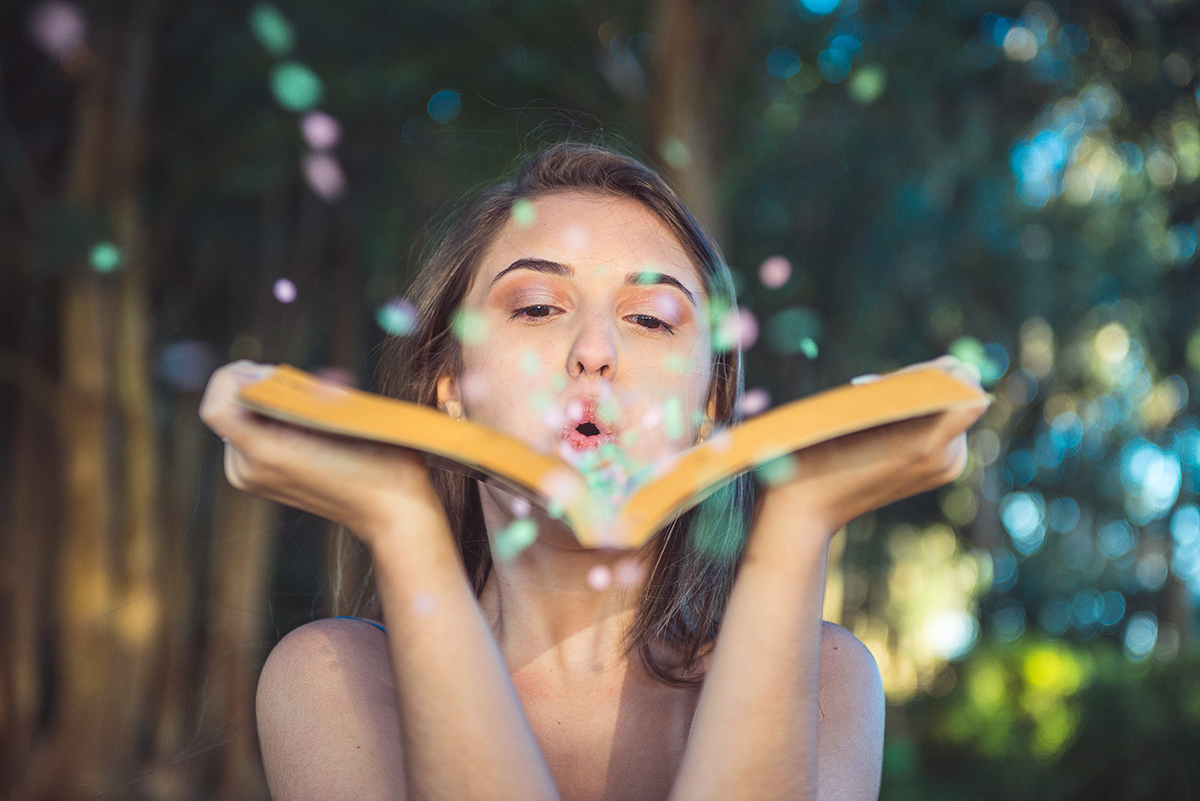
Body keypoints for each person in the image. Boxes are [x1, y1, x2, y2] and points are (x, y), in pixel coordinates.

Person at [199, 144, 986, 801]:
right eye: (538, 306)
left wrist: (802, 518)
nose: (595, 351)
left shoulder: (825, 676)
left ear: (709, 407)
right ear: (450, 390)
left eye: (650, 319)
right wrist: (398, 515)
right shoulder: (334, 678)